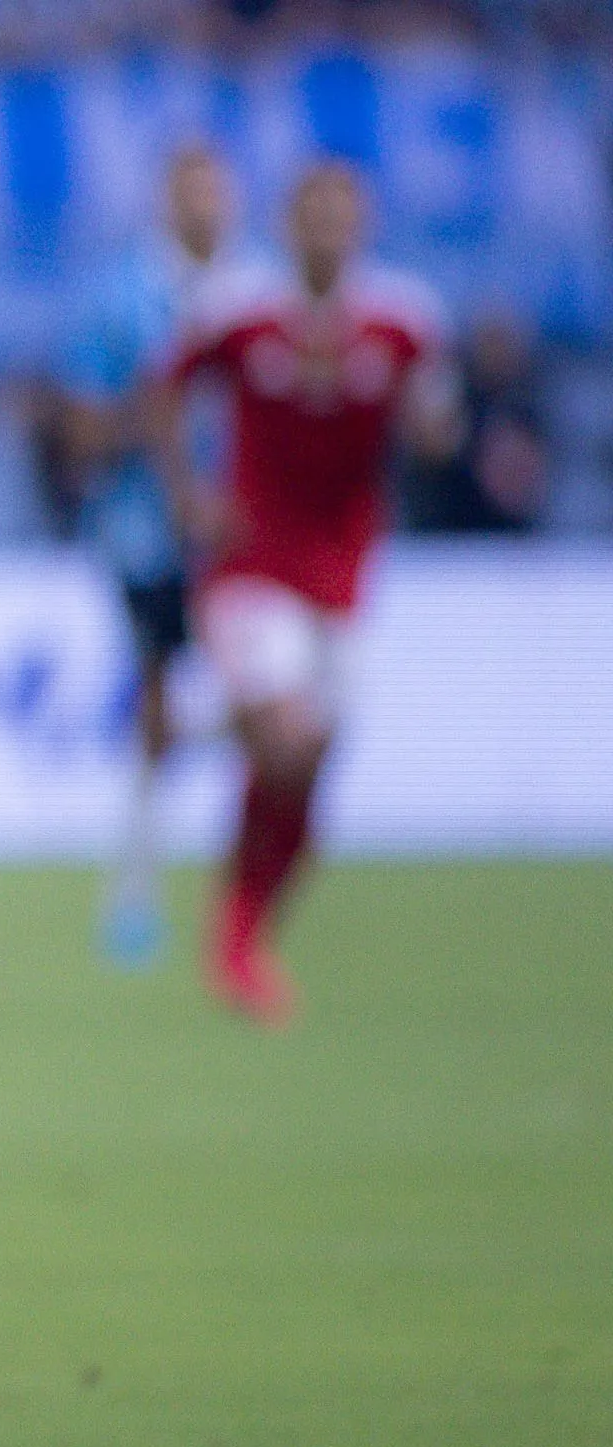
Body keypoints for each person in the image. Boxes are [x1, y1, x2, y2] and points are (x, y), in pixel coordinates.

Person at [154, 161, 459, 1026]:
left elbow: (435, 423)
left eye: (342, 215)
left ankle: (250, 919)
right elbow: (166, 390)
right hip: (252, 564)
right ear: (288, 225)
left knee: (310, 762)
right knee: (287, 739)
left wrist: (437, 428)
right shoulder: (239, 310)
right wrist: (188, 493)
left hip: (345, 572)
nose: (326, 230)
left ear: (361, 226)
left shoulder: (403, 320)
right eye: (311, 214)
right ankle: (236, 932)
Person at [58, 144, 238, 968]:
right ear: (167, 202)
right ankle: (135, 889)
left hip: (248, 533)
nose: (206, 206)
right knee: (160, 705)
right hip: (147, 533)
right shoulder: (122, 299)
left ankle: (245, 890)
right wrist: (157, 417)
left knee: (271, 698)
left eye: (216, 190)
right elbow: (85, 427)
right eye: (190, 191)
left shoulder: (258, 294)